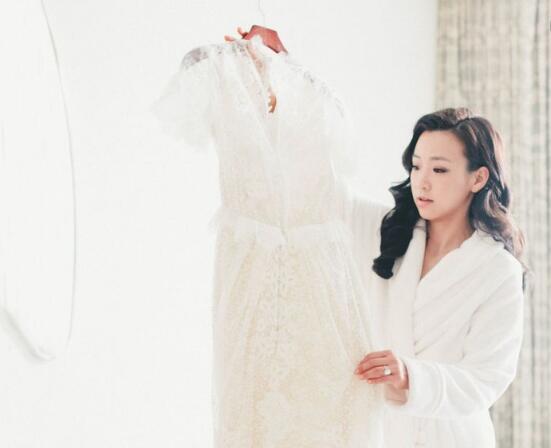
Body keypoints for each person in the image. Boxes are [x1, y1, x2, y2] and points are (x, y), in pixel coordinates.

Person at [344, 107, 527, 447]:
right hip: (381, 433)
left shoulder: (497, 270)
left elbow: (487, 377)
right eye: (416, 167)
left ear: (478, 178)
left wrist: (410, 377)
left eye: (439, 169)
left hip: (453, 437)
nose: (422, 182)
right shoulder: (384, 231)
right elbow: (319, 192)